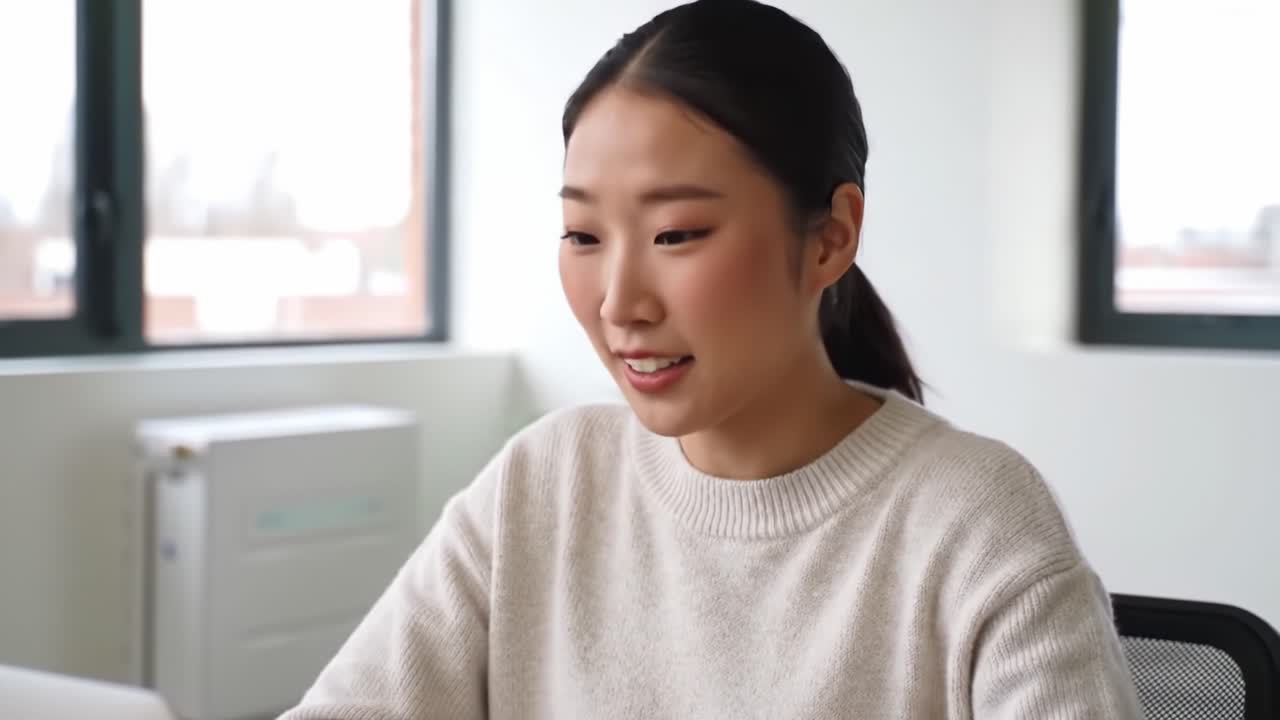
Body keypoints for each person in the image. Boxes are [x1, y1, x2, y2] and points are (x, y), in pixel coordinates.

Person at [279, 1, 1142, 717]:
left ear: (830, 238)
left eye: (677, 234)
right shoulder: (543, 486)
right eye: (582, 234)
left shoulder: (977, 525)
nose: (619, 302)